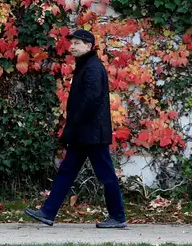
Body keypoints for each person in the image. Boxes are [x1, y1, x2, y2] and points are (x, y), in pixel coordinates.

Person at [24, 28, 127, 229]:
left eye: (77, 43)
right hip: (84, 133)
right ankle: (48, 212)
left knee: (106, 176)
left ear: (88, 46)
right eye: (71, 43)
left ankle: (118, 216)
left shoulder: (92, 68)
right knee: (67, 171)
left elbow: (90, 101)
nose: (72, 46)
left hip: (92, 134)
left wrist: (74, 124)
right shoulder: (85, 66)